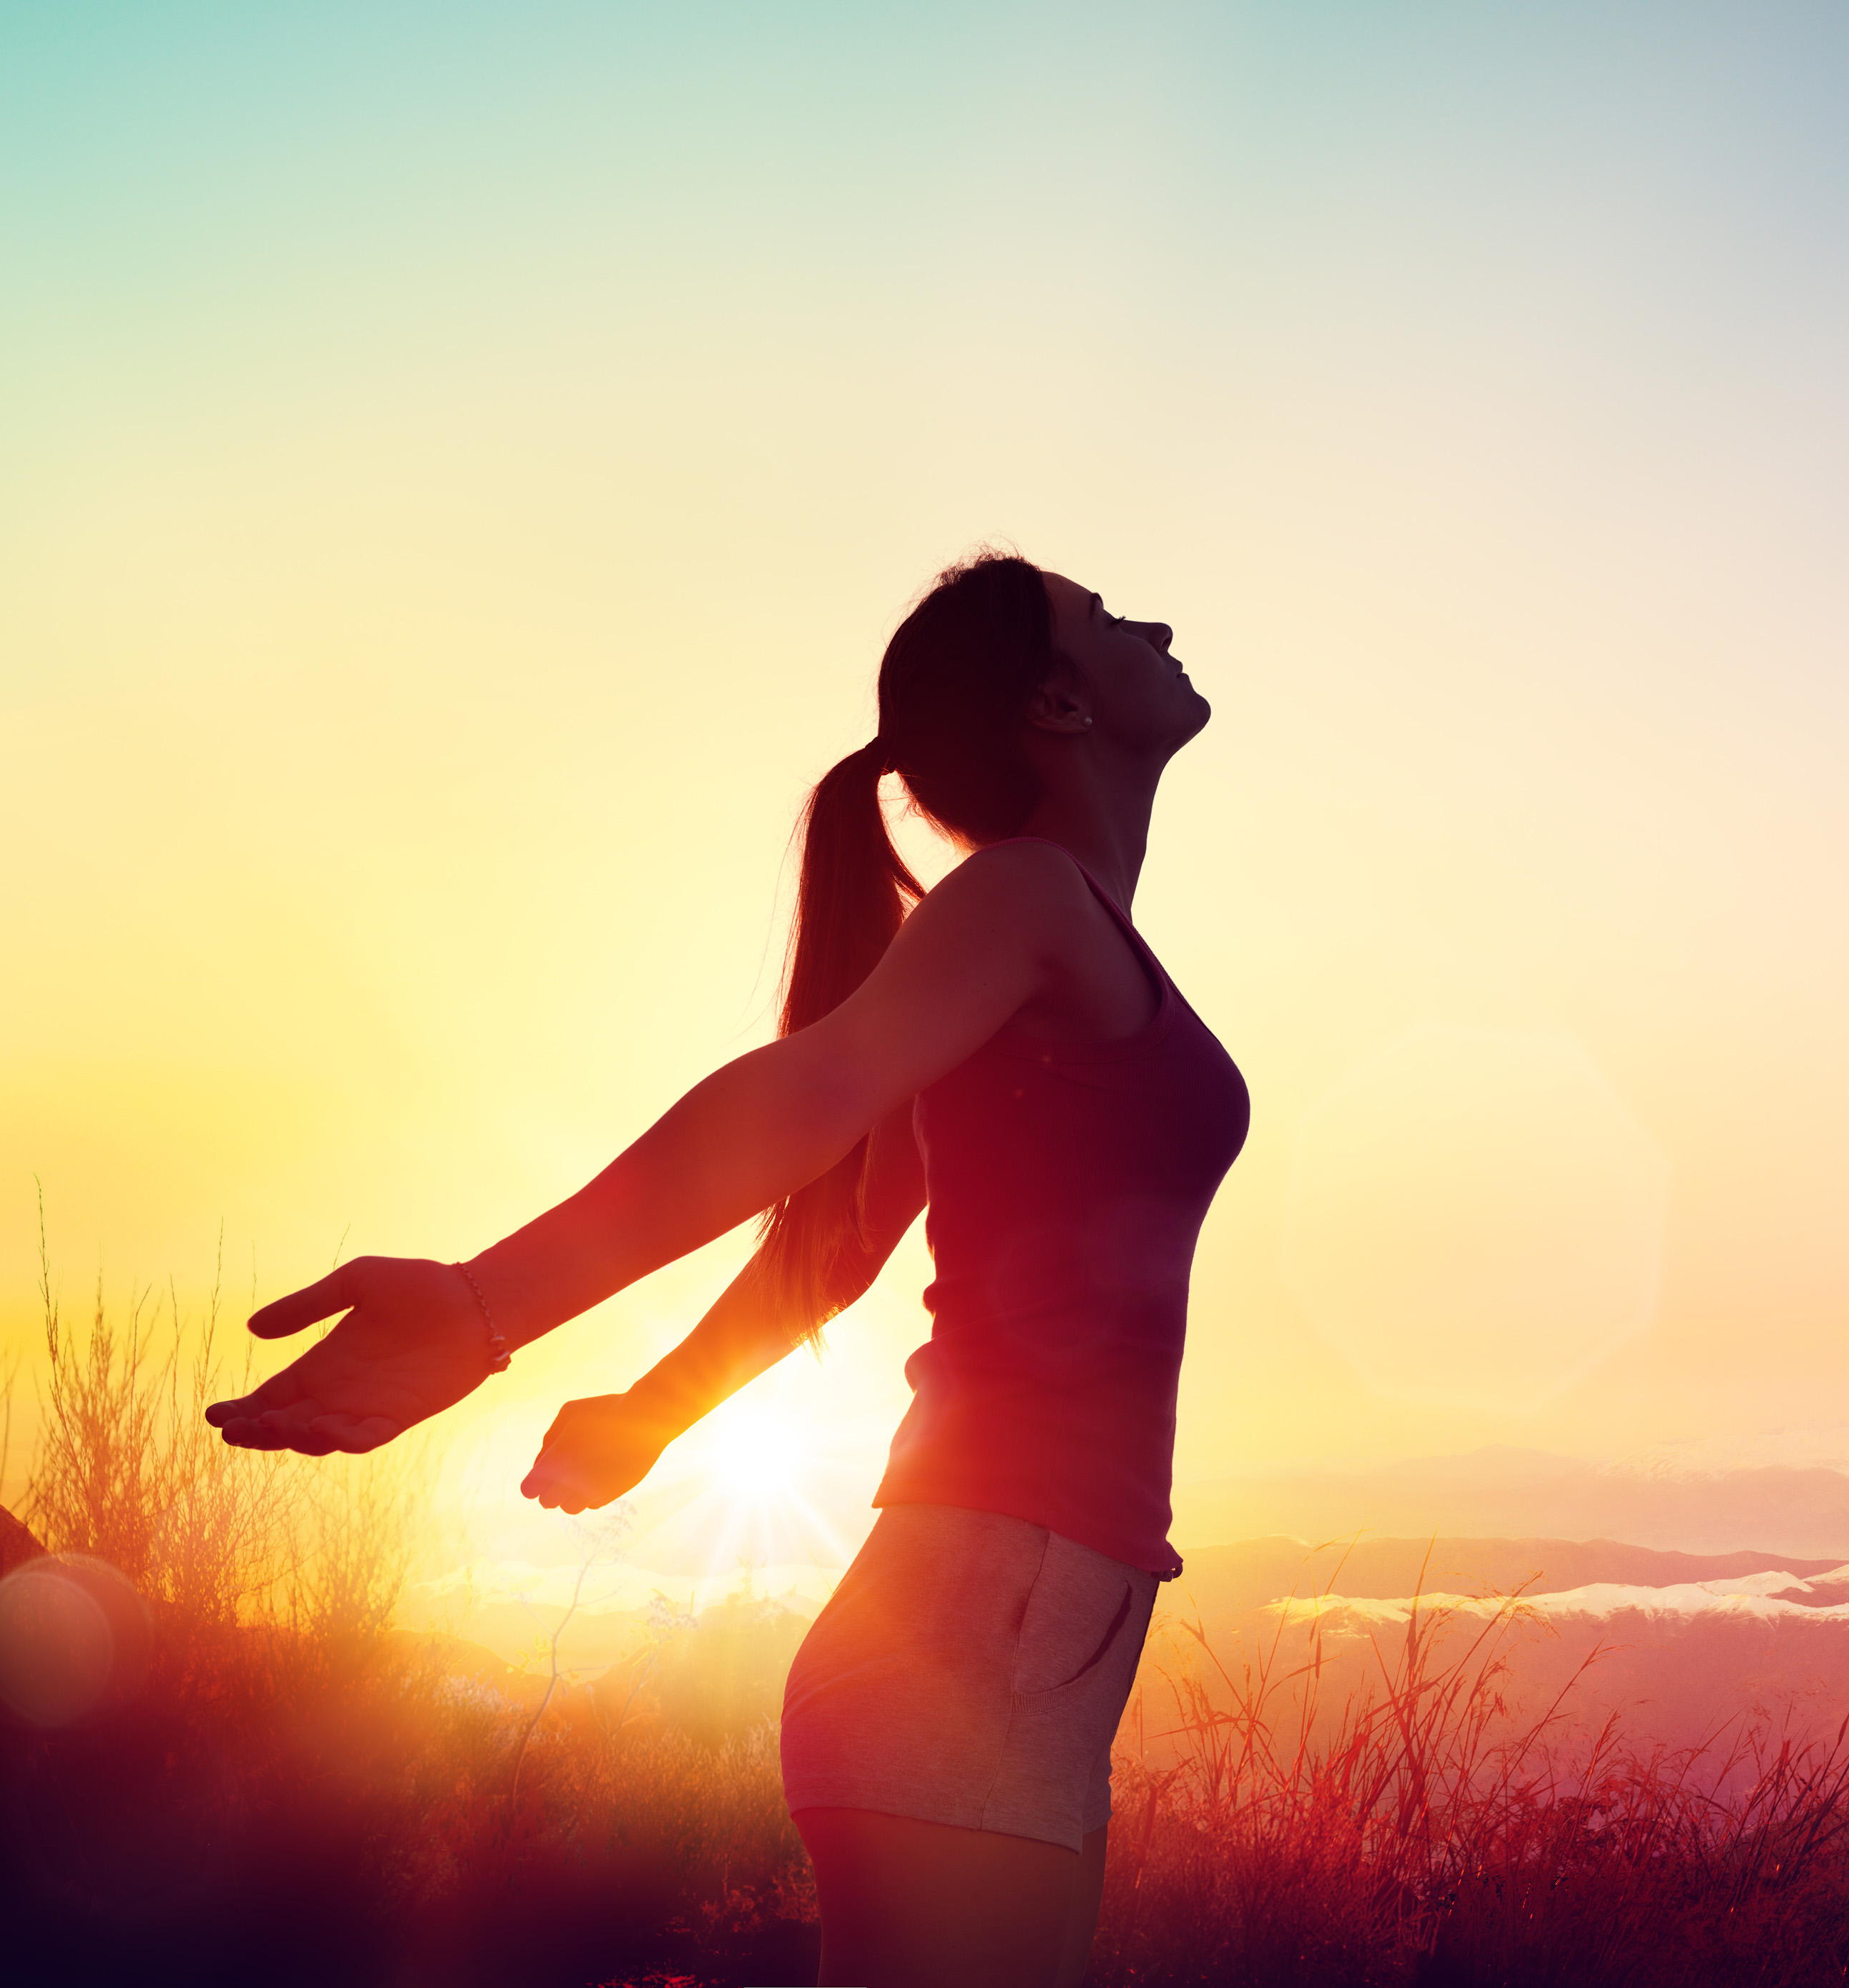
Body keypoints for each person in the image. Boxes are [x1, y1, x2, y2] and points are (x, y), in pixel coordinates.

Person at [206, 551, 1249, 1988]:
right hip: (978, 1633)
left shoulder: (1044, 941)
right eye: (1107, 616)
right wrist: (484, 1302)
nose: (1158, 622)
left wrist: (657, 1408)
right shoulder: (1024, 901)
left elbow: (835, 1248)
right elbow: (805, 1096)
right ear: (1059, 705)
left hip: (1036, 1662)